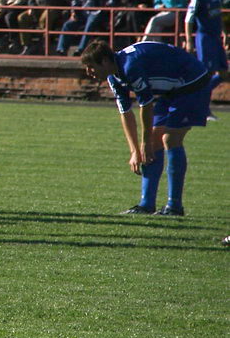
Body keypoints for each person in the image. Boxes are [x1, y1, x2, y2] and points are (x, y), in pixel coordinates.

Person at [80, 40, 212, 216]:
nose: (88, 72)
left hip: (192, 82)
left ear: (104, 61)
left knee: (169, 139)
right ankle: (146, 204)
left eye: (90, 67)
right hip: (172, 90)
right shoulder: (113, 76)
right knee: (155, 144)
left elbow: (146, 105)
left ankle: (174, 207)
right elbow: (126, 113)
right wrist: (135, 150)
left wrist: (145, 142)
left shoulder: (130, 66)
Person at [185, 0, 228, 112]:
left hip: (216, 38)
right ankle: (202, 106)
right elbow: (189, 19)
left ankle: (197, 98)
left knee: (223, 73)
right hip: (205, 38)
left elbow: (219, 16)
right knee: (207, 73)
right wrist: (189, 40)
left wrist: (225, 33)